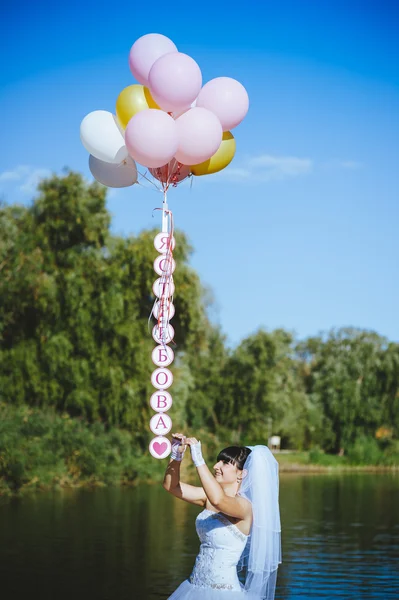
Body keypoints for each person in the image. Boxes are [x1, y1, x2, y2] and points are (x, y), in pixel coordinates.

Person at [163, 433, 282, 599]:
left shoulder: (244, 507)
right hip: (194, 587)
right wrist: (176, 454)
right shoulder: (207, 498)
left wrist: (198, 458)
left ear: (242, 474)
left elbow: (218, 500)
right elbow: (171, 486)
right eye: (218, 460)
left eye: (225, 463)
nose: (216, 466)